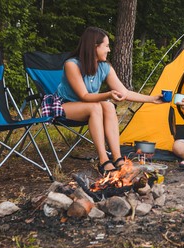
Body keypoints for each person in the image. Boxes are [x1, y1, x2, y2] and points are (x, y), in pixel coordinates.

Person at [42, 26, 164, 176]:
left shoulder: (104, 67)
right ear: (95, 47)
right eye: (106, 46)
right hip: (63, 106)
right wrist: (108, 94)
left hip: (90, 107)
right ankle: (103, 160)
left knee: (108, 106)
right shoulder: (72, 65)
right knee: (96, 106)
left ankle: (118, 158)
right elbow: (84, 96)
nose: (109, 50)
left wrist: (152, 99)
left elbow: (124, 92)